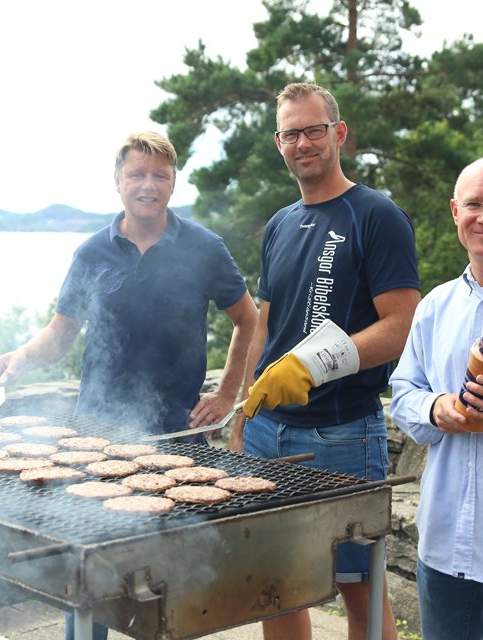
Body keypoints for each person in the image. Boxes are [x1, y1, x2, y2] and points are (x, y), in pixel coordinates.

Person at [0, 131, 258, 640]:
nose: (149, 185)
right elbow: (59, 335)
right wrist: (21, 358)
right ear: (117, 182)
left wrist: (228, 394)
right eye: (137, 174)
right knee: (87, 568)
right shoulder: (93, 251)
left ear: (174, 182)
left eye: (160, 174)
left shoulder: (204, 248)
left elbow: (247, 319)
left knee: (166, 577)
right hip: (97, 432)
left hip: (175, 437)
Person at [228, 82, 420, 640]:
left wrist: (313, 366)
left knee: (362, 594)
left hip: (342, 437)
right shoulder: (281, 224)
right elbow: (265, 324)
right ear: (279, 143)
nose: (303, 142)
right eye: (291, 133)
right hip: (266, 436)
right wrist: (245, 408)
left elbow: (400, 326)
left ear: (338, 134)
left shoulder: (376, 215)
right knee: (277, 589)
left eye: (314, 129)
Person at [389, 157, 483, 640]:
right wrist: (435, 407)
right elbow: (403, 391)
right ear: (454, 212)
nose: (481, 217)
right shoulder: (435, 307)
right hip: (445, 546)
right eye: (474, 205)